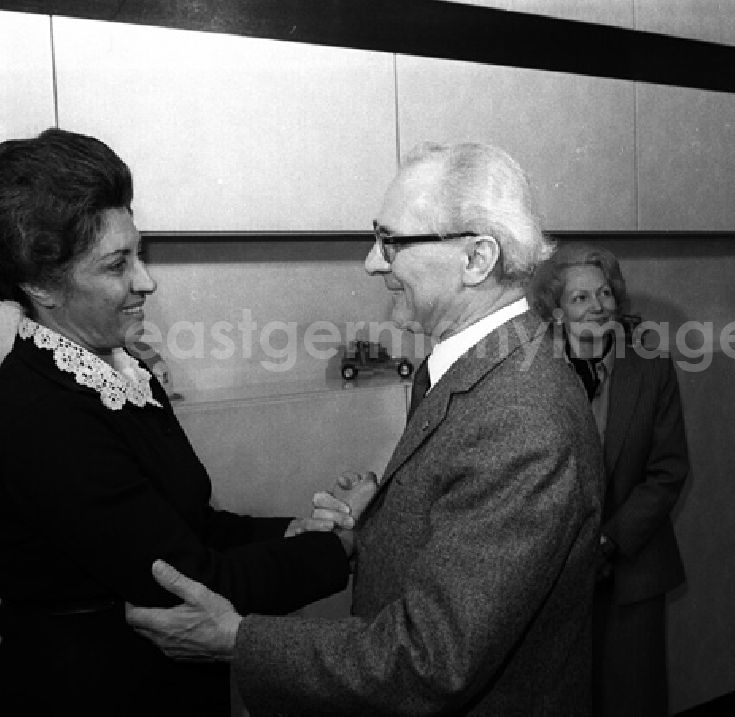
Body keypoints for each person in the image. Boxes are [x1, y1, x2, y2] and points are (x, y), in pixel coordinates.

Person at [126, 142, 605, 715]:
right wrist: (384, 512)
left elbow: (431, 658)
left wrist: (237, 639)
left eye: (393, 241)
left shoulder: (522, 415)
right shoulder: (471, 370)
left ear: (477, 259)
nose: (373, 263)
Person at [0, 128, 368, 716]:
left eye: (138, 254)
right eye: (117, 265)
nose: (146, 280)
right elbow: (189, 578)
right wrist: (341, 547)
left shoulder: (117, 375)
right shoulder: (36, 412)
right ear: (41, 284)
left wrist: (298, 531)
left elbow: (193, 524)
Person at [529, 244, 690, 717]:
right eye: (580, 298)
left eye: (604, 294)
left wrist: (608, 541)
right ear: (556, 312)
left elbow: (669, 470)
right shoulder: (533, 376)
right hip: (550, 575)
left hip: (632, 568)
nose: (598, 306)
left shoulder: (652, 369)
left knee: (631, 698)